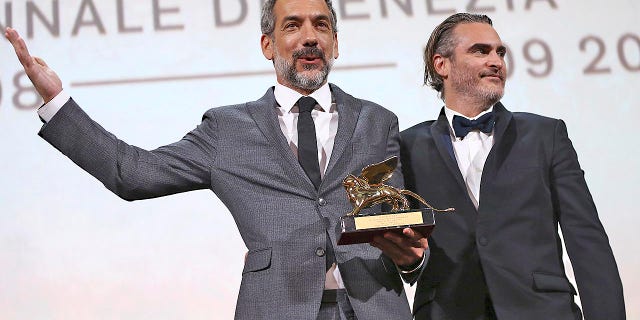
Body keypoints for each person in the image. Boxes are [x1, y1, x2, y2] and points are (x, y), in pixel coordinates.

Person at [4, 0, 429, 319]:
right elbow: (130, 174)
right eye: (292, 25)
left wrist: (414, 259)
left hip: (375, 309)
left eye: (321, 25)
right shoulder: (228, 129)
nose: (310, 37)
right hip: (274, 309)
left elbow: (399, 224)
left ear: (336, 43)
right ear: (268, 44)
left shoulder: (378, 121)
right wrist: (56, 102)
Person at [400, 13, 625, 320]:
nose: (496, 61)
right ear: (442, 65)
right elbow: (402, 248)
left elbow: (587, 240)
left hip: (543, 311)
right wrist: (410, 262)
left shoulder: (546, 135)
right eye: (480, 51)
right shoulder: (406, 146)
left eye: (500, 52)